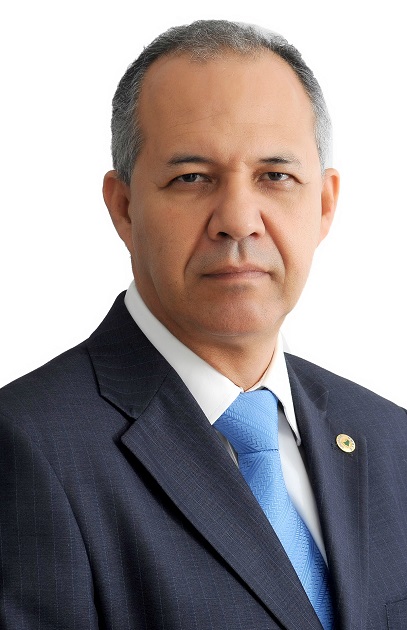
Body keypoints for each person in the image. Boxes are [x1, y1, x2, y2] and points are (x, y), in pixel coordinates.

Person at [1, 19, 406, 630]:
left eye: (276, 176)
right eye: (192, 177)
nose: (238, 219)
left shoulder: (392, 440)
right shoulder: (26, 450)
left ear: (324, 205)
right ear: (124, 208)